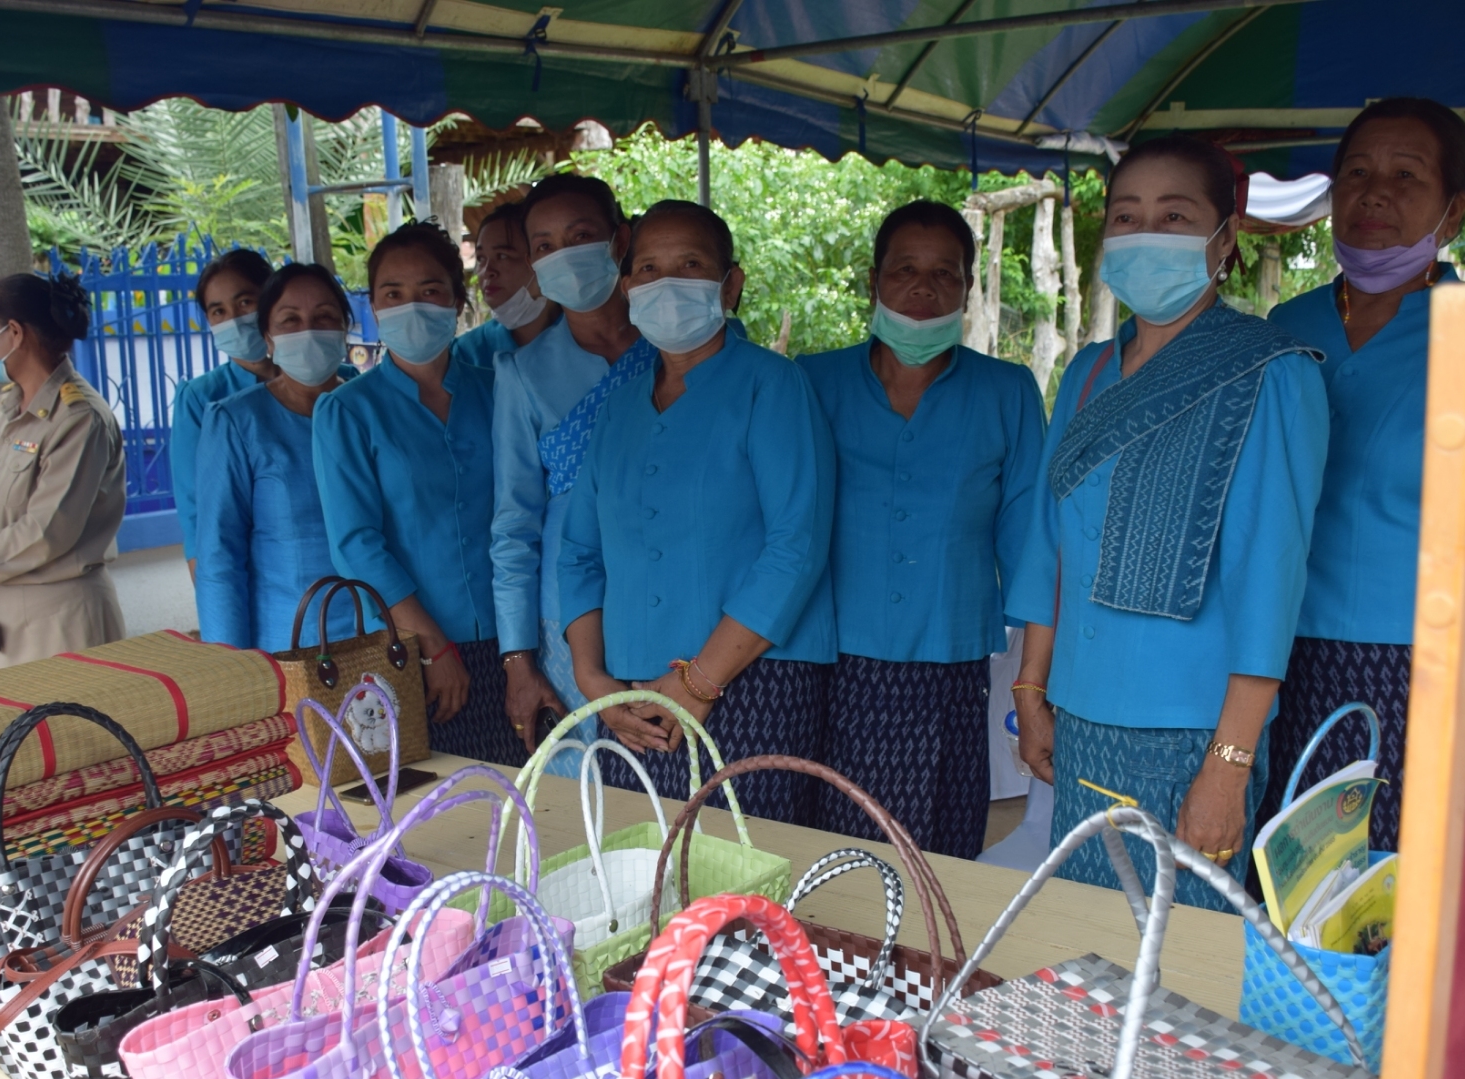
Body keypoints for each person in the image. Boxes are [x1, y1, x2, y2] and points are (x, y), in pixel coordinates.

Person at [1008, 136, 1330, 909]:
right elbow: (1051, 544)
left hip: (1190, 737)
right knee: (1083, 938)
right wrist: (1029, 685)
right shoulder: (1086, 371)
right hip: (1081, 715)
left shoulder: (1271, 372)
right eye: (1128, 216)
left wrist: (1227, 764)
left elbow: (1269, 583)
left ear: (1226, 236)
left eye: (1174, 215)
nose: (1146, 232)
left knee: (1177, 959)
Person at [557, 200, 837, 826]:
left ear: (729, 284)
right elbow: (578, 552)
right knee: (640, 878)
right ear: (627, 287)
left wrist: (699, 683)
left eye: (690, 264)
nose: (666, 283)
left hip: (752, 684)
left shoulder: (774, 384)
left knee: (748, 885)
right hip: (627, 698)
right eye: (649, 268)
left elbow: (797, 545)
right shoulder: (618, 406)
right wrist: (593, 681)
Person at [1257, 99, 1465, 851]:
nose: (1375, 192)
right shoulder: (1284, 328)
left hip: (1417, 660)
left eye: (1406, 175)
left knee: (1382, 880)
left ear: (1454, 213)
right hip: (1269, 654)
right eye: (1356, 172)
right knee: (1270, 864)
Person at [800, 201, 1045, 860]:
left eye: (946, 272)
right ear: (874, 280)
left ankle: (927, 968)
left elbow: (1029, 540)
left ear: (968, 287)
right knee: (836, 849)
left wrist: (1034, 683)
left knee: (937, 854)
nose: (924, 286)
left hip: (953, 667)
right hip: (832, 663)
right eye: (905, 268)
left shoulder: (1007, 391)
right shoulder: (811, 383)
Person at [314, 222, 523, 766]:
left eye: (430, 290)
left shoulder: (501, 386)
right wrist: (433, 644)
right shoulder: (347, 411)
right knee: (439, 809)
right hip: (412, 648)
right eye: (393, 293)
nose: (412, 306)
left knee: (534, 803)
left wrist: (523, 648)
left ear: (457, 300)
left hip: (518, 638)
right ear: (374, 307)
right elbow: (357, 544)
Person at [488, 173, 651, 769]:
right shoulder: (523, 372)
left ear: (620, 239)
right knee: (587, 792)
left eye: (581, 235)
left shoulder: (678, 350)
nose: (564, 255)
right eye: (544, 245)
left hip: (674, 599)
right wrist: (519, 661)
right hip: (567, 617)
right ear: (533, 267)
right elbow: (513, 526)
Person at [0, 272, 128, 669]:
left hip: (60, 622)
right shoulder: (6, 406)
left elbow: (46, 532)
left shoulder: (79, 417)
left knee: (71, 730)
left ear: (13, 333)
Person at [194, 263, 354, 651]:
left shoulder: (369, 408)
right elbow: (219, 556)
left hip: (385, 632)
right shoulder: (237, 421)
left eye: (324, 317)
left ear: (345, 328)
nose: (309, 331)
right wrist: (232, 667)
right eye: (290, 320)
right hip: (291, 644)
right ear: (267, 338)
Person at [170, 249, 277, 576]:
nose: (234, 319)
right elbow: (195, 511)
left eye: (245, 302)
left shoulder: (335, 381)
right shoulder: (201, 399)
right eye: (218, 311)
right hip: (248, 567)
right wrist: (207, 589)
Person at [451, 200, 559, 370]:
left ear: (538, 259)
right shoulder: (465, 354)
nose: (487, 271)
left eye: (502, 256)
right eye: (480, 258)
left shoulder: (584, 338)